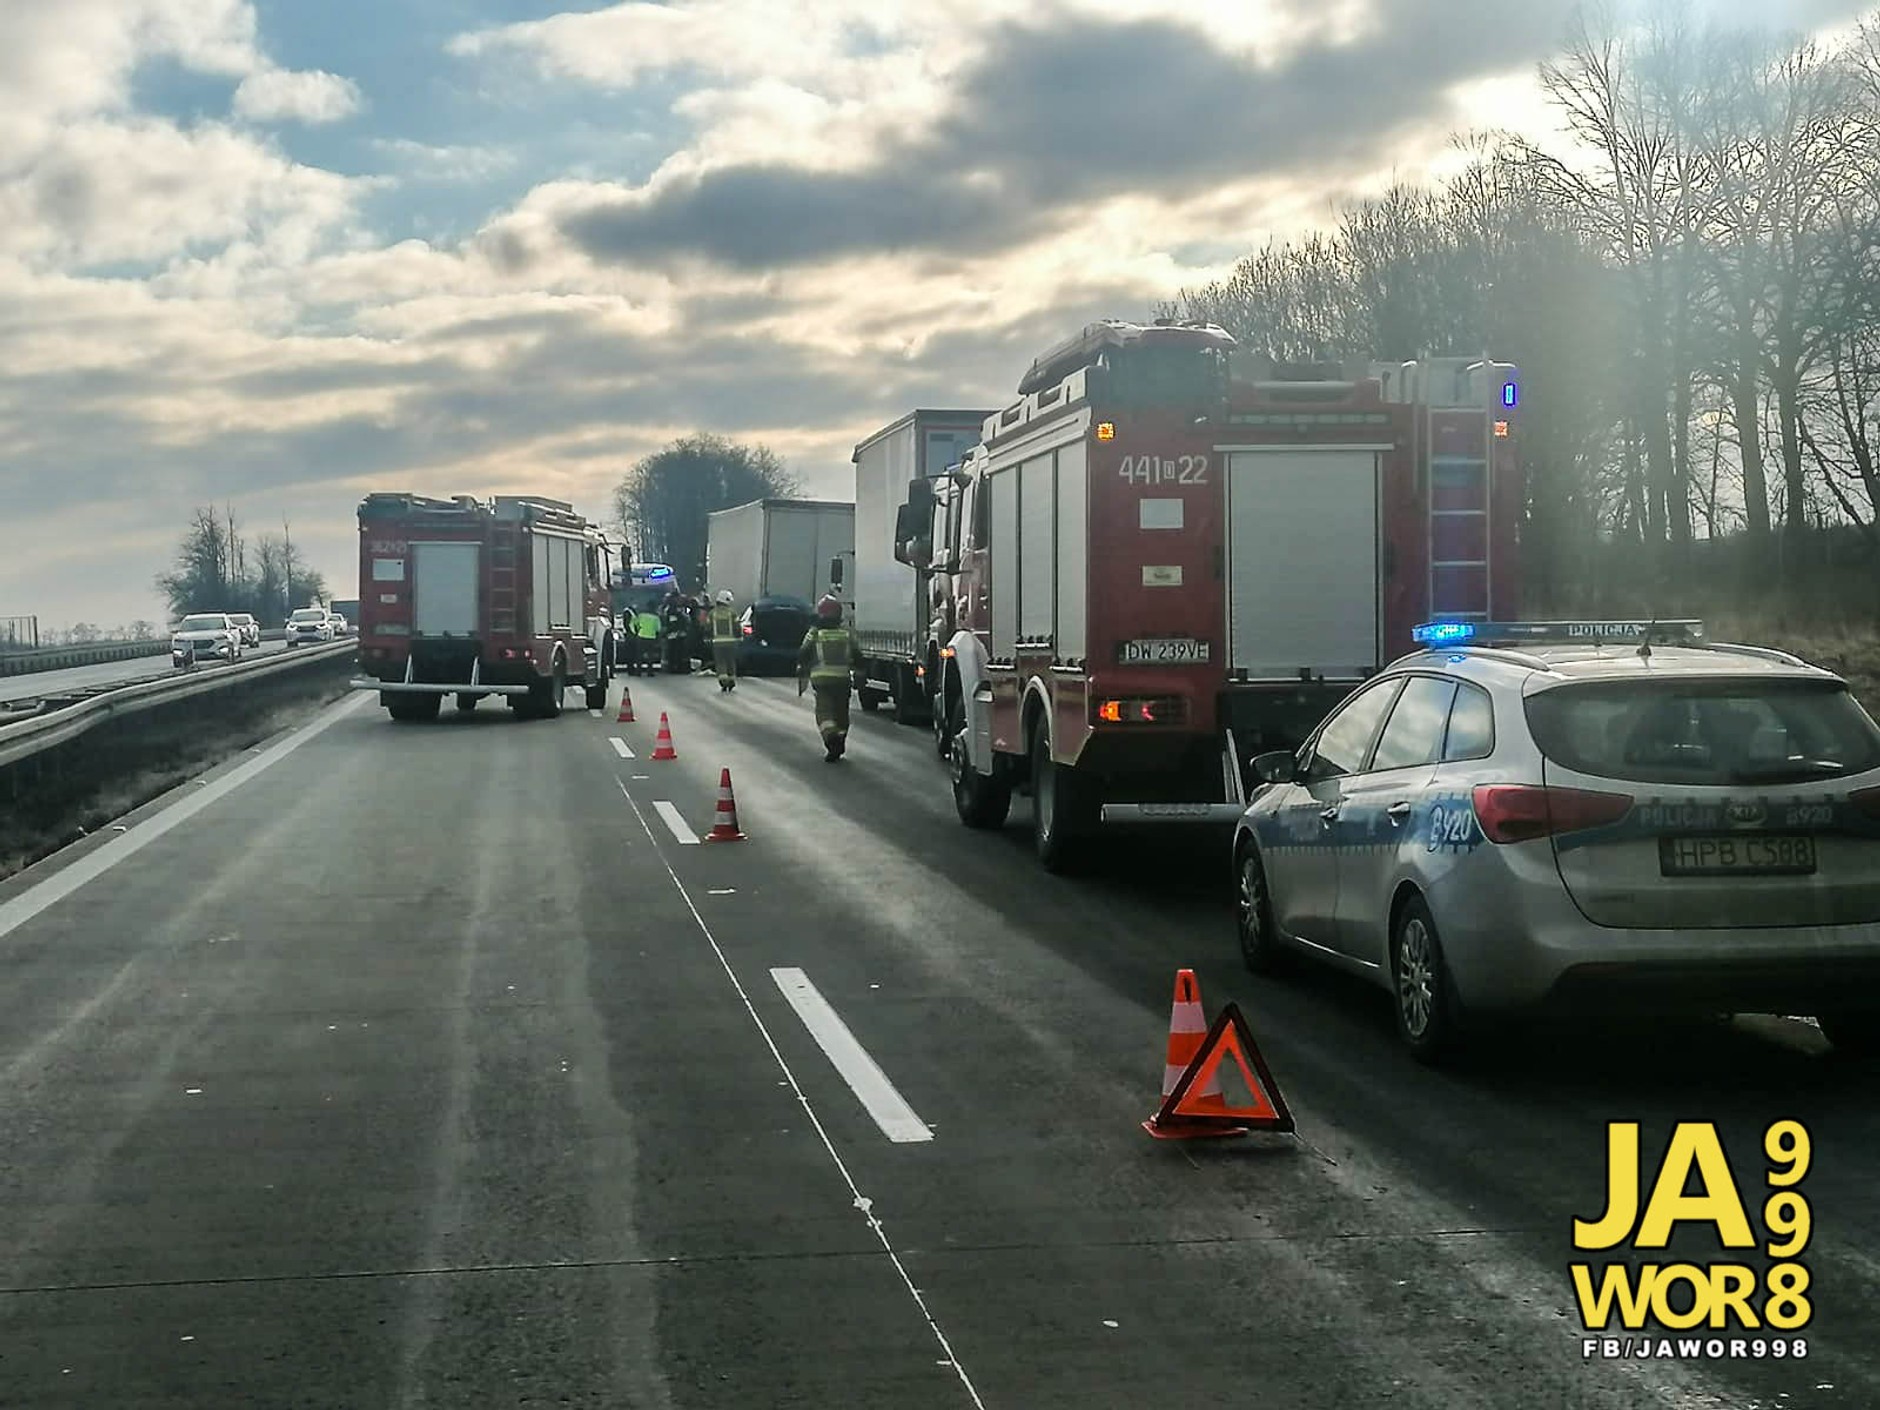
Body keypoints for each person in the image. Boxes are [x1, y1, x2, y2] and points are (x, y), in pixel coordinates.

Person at [797, 595, 862, 761]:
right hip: (843, 681)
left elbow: (803, 652)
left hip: (822, 681)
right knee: (842, 714)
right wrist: (861, 672)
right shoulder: (846, 634)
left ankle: (831, 737)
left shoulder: (815, 633)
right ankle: (839, 739)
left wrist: (802, 669)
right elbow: (858, 656)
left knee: (824, 713)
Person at [708, 589, 741, 692]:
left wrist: (708, 637)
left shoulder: (712, 613)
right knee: (731, 661)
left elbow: (708, 627)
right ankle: (731, 680)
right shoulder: (732, 612)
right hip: (731, 642)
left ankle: (723, 681)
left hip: (717, 643)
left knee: (720, 662)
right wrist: (739, 636)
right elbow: (737, 626)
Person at [628, 605, 661, 675]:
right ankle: (650, 672)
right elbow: (658, 629)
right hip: (651, 637)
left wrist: (634, 632)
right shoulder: (656, 618)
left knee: (639, 655)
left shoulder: (641, 616)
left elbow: (632, 623)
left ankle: (638, 671)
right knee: (650, 656)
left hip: (641, 636)